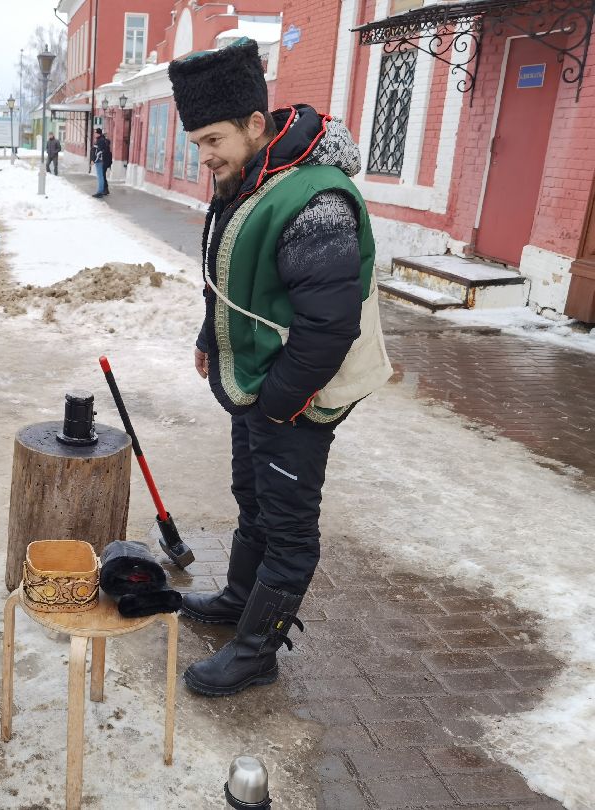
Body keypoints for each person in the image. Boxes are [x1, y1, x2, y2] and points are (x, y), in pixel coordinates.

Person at [168, 39, 392, 697]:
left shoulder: (314, 198)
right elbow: (230, 272)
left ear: (255, 126)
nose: (204, 157)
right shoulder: (249, 176)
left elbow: (329, 324)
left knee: (290, 527)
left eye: (211, 140)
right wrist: (212, 333)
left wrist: (280, 401)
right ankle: (242, 598)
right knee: (254, 500)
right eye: (196, 143)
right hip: (258, 385)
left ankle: (257, 651)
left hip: (295, 395)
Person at [90, 128, 111, 197]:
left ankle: (100, 191)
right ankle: (104, 190)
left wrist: (94, 160)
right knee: (102, 175)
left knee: (100, 176)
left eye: (96, 133)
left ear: (98, 133)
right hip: (102, 160)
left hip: (100, 161)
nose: (95, 134)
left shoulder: (100, 141)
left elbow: (98, 152)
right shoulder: (101, 140)